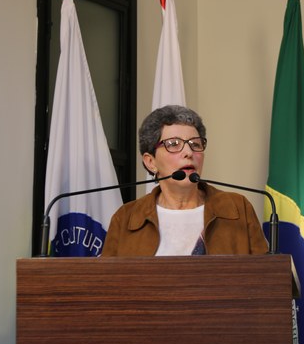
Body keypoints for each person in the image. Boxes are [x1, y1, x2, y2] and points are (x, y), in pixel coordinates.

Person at [102, 105, 268, 256]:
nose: (188, 152)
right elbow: (106, 285)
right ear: (150, 162)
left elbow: (268, 279)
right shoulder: (125, 218)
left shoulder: (237, 209)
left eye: (195, 144)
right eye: (174, 144)